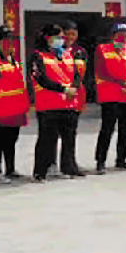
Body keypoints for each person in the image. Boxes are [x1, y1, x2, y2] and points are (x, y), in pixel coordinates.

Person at [30, 24, 83, 182]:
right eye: (57, 37)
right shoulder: (38, 55)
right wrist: (62, 89)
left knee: (69, 138)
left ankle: (68, 167)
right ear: (47, 38)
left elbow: (76, 75)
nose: (61, 40)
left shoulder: (66, 54)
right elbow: (41, 79)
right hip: (49, 104)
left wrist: (73, 88)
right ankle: (41, 171)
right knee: (47, 139)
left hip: (68, 103)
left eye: (62, 38)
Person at [0, 25, 30, 185]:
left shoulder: (14, 61)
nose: (9, 44)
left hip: (14, 109)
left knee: (12, 139)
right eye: (5, 40)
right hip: (0, 109)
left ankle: (10, 169)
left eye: (11, 40)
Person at [94, 23, 126, 174]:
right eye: (119, 33)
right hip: (110, 95)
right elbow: (101, 72)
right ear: (112, 35)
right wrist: (121, 82)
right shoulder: (103, 49)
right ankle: (100, 161)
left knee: (125, 130)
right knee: (107, 129)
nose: (123, 36)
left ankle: (121, 159)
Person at [48, 20, 90, 179]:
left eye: (74, 33)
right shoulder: (56, 51)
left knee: (70, 133)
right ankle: (51, 164)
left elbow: (82, 74)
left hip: (75, 95)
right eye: (68, 33)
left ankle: (69, 164)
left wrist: (76, 88)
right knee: (54, 133)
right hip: (59, 94)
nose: (71, 37)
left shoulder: (81, 52)